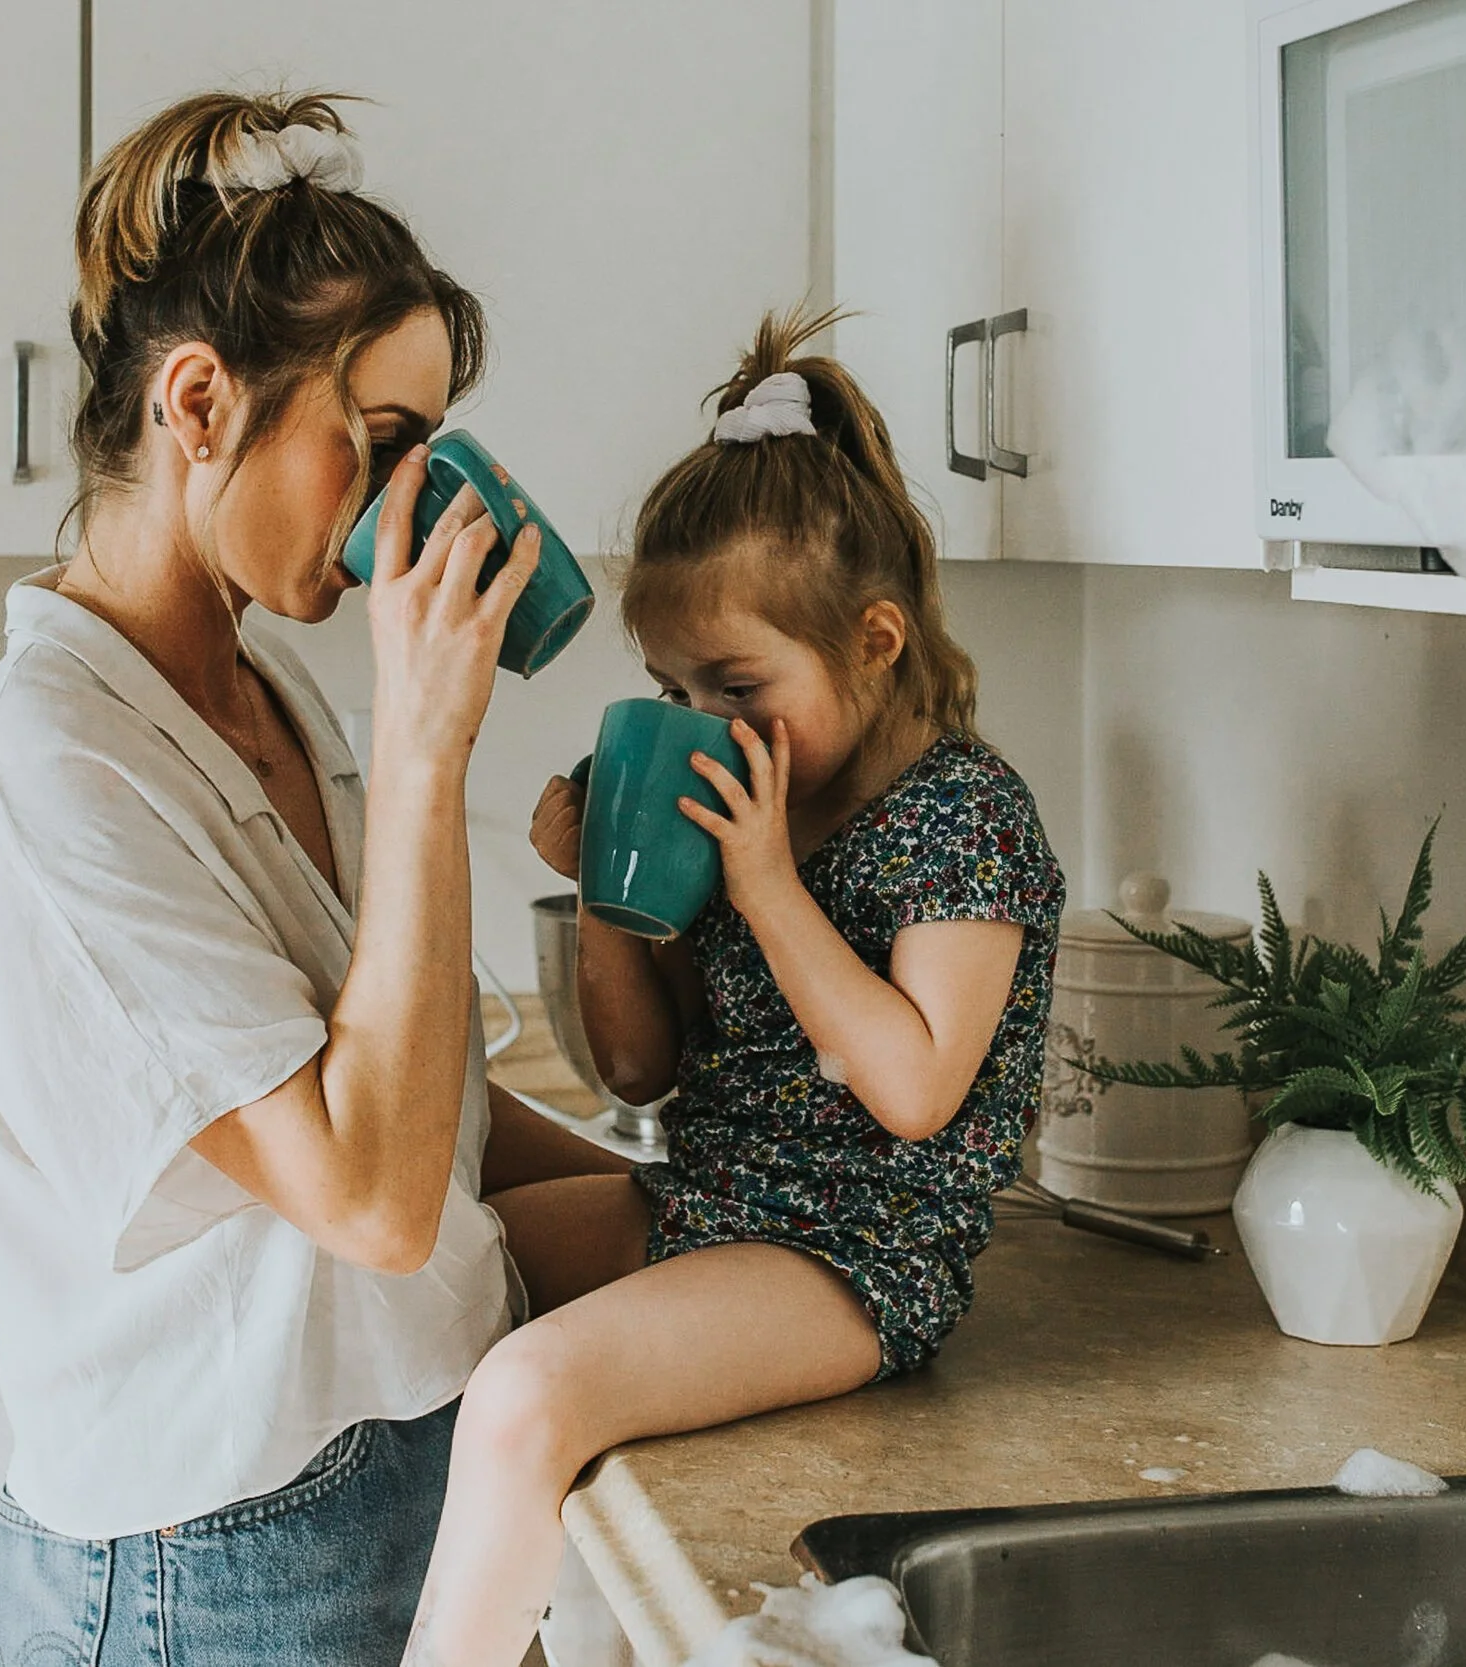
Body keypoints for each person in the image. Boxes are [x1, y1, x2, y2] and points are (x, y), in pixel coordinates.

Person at [0, 90, 622, 1667]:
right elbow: (364, 1193)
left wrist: (718, 1203)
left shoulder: (266, 693)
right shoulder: (42, 767)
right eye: (378, 446)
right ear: (201, 403)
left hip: (405, 1469)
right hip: (215, 1563)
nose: (408, 502)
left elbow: (434, 1117)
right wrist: (431, 753)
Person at [403, 310, 1067, 1666]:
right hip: (707, 1202)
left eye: (738, 682)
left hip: (853, 1259)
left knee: (528, 1390)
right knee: (424, 1267)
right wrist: (609, 893)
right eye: (670, 685)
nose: (704, 717)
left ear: (876, 640)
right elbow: (642, 1071)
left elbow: (917, 1084)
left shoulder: (964, 815)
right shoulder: (745, 805)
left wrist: (765, 882)